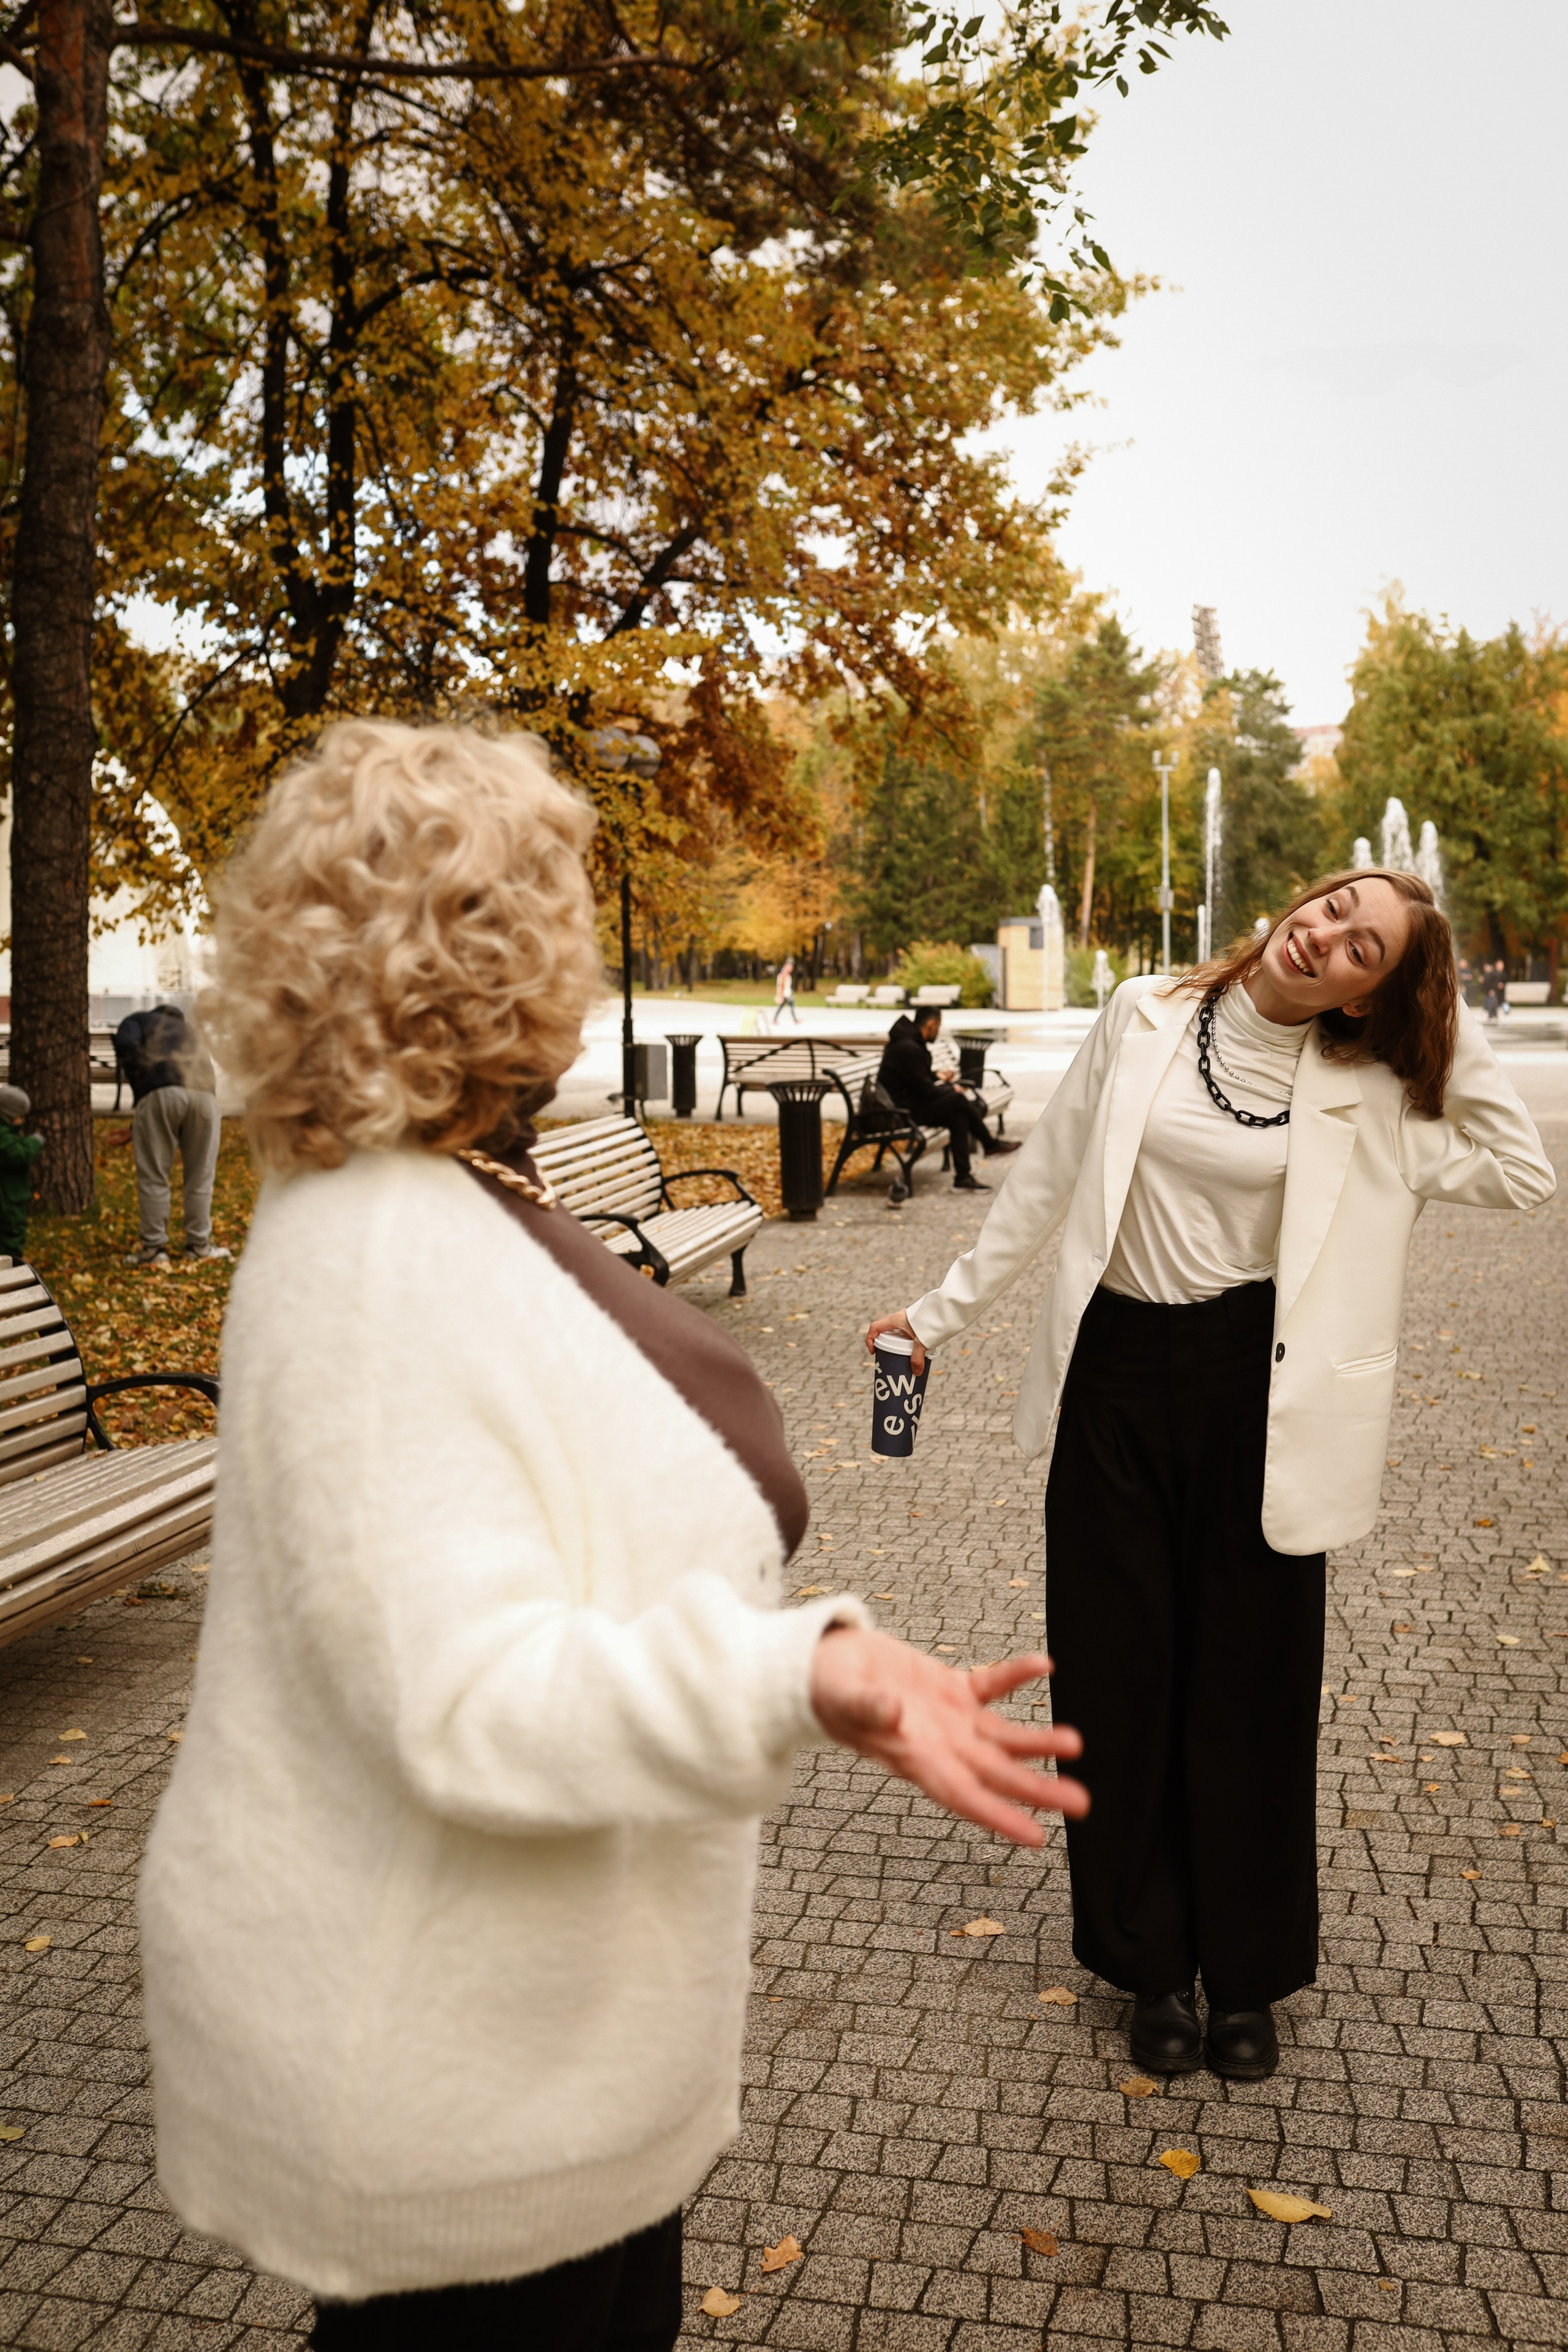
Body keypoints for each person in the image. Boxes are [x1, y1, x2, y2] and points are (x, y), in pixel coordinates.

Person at [139, 719, 1088, 2351]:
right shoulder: (374, 1245)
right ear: (484, 945)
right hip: (456, 2094)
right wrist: (809, 1679)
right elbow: (466, 1698)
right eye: (558, 898)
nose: (581, 935)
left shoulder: (448, 1183)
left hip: (536, 2064)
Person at [868, 870, 1554, 2082]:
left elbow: (1520, 1171)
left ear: (1369, 996)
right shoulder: (1140, 1012)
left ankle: (1245, 1974)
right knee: (1120, 1684)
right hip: (1116, 1382)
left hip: (1260, 1395)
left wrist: (1444, 1007)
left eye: (1366, 949)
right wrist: (935, 1313)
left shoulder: (1367, 1093)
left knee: (1248, 1691)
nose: (1328, 933)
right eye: (1335, 905)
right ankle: (1150, 1967)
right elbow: (1041, 1185)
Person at [115, 1002, 229, 1267]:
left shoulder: (138, 1020)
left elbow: (125, 1045)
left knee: (154, 1176)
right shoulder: (191, 1031)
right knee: (201, 1176)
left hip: (159, 1093)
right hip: (205, 1099)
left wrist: (143, 1087)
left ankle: (154, 1252)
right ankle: (199, 1247)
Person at [878, 1005, 1020, 1191]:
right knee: (958, 1100)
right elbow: (925, 1092)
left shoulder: (909, 1043)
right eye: (938, 1026)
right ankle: (990, 1144)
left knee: (958, 1117)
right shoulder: (909, 1048)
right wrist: (951, 1089)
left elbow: (914, 1078)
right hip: (900, 1112)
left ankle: (963, 1178)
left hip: (906, 1104)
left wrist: (937, 1076)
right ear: (931, 1024)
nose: (938, 1031)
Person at [0, 1085, 42, 1263]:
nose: (23, 1121)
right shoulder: (4, 1137)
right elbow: (18, 1155)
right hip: (8, 1204)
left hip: (9, 1200)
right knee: (11, 1242)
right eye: (20, 1117)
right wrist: (35, 1142)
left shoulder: (8, 1133)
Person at [772, 955, 799, 1025]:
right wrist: (781, 994)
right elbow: (782, 985)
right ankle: (795, 1020)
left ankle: (775, 1019)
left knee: (781, 1007)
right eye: (791, 967)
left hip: (786, 993)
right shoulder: (784, 975)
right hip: (786, 994)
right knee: (792, 1006)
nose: (792, 968)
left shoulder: (784, 974)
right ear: (787, 966)